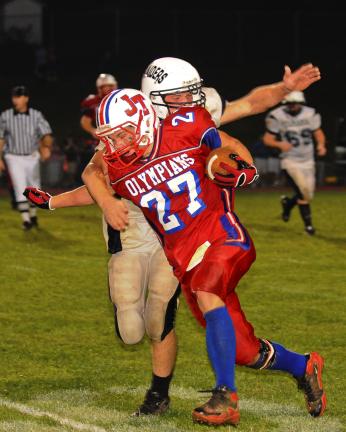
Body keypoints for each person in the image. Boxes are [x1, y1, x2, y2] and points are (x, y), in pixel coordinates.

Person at [24, 58, 322, 417]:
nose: (190, 99)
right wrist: (61, 201)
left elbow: (225, 140)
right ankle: (303, 366)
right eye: (181, 95)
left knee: (207, 291)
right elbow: (94, 174)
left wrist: (241, 166)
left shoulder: (189, 120)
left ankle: (224, 396)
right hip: (185, 258)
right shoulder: (120, 158)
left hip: (221, 235)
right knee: (244, 351)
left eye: (189, 94)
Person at [262, 91, 326, 235]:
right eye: (289, 104)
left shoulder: (310, 114)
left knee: (308, 194)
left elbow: (318, 133)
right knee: (303, 193)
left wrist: (321, 145)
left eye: (294, 103)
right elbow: (267, 139)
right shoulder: (277, 115)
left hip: (308, 159)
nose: (292, 106)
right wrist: (280, 144)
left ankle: (287, 205)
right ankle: (309, 227)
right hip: (289, 160)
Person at [0, 85, 53, 229]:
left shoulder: (36, 115)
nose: (15, 100)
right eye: (14, 97)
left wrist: (46, 147)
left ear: (26, 98)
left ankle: (33, 215)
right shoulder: (6, 116)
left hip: (32, 156)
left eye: (19, 97)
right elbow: (1, 138)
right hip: (13, 156)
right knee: (19, 186)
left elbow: (46, 134)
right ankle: (26, 220)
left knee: (34, 186)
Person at [80, 73, 118, 139]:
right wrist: (92, 130)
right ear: (99, 88)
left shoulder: (123, 96)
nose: (107, 88)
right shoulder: (93, 102)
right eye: (104, 86)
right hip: (105, 134)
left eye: (110, 86)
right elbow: (85, 120)